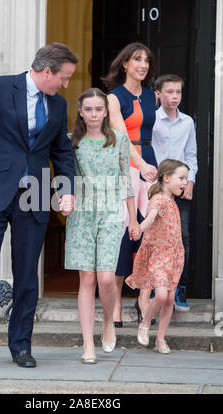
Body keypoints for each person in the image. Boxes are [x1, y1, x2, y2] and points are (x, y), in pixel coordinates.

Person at [0, 43, 78, 369]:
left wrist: (67, 189)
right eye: (63, 77)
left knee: (27, 275)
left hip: (35, 195)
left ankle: (21, 345)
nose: (65, 84)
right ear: (46, 71)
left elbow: (62, 152)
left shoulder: (57, 104)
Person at [64, 88, 140, 364]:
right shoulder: (71, 141)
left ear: (106, 112)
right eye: (89, 109)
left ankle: (108, 320)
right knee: (87, 279)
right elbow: (65, 174)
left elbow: (126, 180)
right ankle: (88, 345)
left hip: (111, 213)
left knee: (107, 278)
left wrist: (132, 218)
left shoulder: (119, 139)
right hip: (82, 215)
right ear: (81, 112)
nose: (94, 114)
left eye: (99, 109)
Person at [102, 43, 158, 327]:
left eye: (146, 60)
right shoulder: (114, 98)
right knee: (124, 237)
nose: (143, 65)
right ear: (124, 64)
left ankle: (143, 300)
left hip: (150, 165)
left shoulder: (151, 97)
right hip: (127, 167)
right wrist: (142, 165)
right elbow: (121, 138)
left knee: (150, 234)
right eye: (137, 59)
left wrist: (156, 168)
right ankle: (115, 307)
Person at [126, 159, 189, 353]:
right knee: (161, 294)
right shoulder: (159, 200)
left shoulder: (171, 200)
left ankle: (161, 338)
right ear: (166, 178)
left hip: (175, 256)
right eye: (181, 178)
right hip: (159, 255)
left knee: (169, 299)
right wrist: (139, 228)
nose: (185, 183)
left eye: (185, 179)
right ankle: (146, 322)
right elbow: (150, 218)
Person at [152, 74, 198, 311]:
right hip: (156, 189)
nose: (175, 97)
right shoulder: (152, 120)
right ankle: (152, 289)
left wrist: (189, 181)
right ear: (158, 94)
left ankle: (179, 290)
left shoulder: (187, 122)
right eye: (169, 92)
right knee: (152, 238)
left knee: (182, 239)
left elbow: (191, 155)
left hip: (179, 188)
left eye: (178, 92)